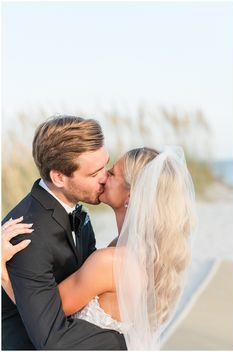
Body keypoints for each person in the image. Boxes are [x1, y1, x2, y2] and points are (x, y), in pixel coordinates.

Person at [2, 145, 196, 350]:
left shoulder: (110, 262)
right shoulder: (146, 253)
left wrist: (3, 273)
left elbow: (44, 317)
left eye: (112, 173)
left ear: (130, 196)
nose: (103, 177)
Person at [1, 115, 127, 350]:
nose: (105, 178)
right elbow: (51, 340)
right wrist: (126, 340)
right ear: (59, 177)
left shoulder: (75, 209)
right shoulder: (27, 234)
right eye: (93, 174)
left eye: (105, 165)